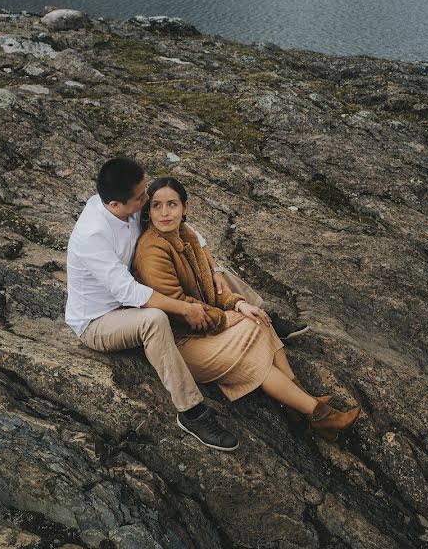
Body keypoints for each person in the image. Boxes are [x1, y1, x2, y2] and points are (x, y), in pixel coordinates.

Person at [131, 176, 361, 441]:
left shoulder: (186, 234)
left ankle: (304, 405)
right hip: (182, 342)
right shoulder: (152, 250)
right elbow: (178, 307)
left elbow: (211, 286)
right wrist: (226, 318)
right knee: (253, 341)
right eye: (156, 205)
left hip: (203, 330)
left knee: (257, 318)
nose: (164, 212)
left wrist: (238, 304)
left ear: (185, 208)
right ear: (147, 211)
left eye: (172, 204)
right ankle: (318, 414)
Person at [66, 157, 239, 451]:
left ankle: (256, 311)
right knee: (155, 319)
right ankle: (191, 412)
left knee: (201, 267)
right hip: (99, 321)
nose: (148, 200)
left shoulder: (128, 205)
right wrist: (186, 308)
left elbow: (184, 229)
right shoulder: (92, 235)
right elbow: (128, 292)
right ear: (115, 205)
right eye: (142, 197)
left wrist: (216, 269)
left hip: (132, 303)